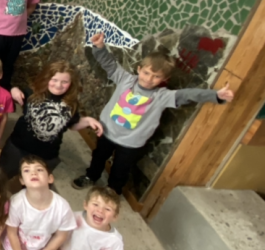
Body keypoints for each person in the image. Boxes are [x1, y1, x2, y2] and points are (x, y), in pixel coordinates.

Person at [72, 33, 235, 193]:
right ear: (139, 69)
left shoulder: (162, 96)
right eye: (146, 73)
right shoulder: (125, 79)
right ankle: (90, 176)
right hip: (106, 132)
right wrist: (99, 47)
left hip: (131, 143)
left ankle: (113, 190)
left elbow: (188, 94)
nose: (149, 79)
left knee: (121, 169)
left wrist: (216, 95)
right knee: (98, 157)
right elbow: (109, 64)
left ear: (164, 79)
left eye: (156, 77)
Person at [2, 61, 103, 177]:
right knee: (3, 175)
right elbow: (12, 95)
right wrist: (14, 89)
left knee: (35, 185)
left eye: (64, 82)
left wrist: (87, 121)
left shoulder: (72, 104)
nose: (58, 85)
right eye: (54, 80)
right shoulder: (31, 93)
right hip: (18, 146)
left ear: (71, 83)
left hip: (46, 155)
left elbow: (72, 125)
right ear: (46, 78)